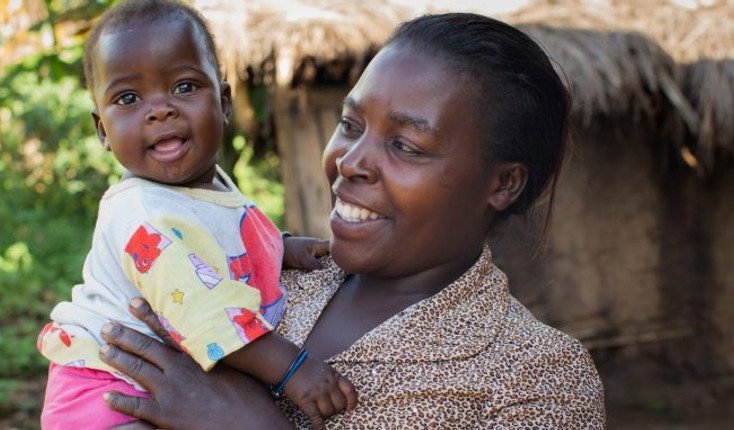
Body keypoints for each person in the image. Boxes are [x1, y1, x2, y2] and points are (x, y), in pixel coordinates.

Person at [97, 11, 607, 429]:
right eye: (350, 124)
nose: (349, 160)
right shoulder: (264, 277)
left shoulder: (537, 377)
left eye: (405, 145)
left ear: (503, 184)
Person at [36, 1, 357, 429]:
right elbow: (206, 311)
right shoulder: (140, 210)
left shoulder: (212, 189)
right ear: (103, 131)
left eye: (184, 87)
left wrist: (281, 248)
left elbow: (221, 244)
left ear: (223, 103)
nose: (160, 110)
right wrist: (292, 368)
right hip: (104, 387)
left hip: (151, 381)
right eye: (128, 98)